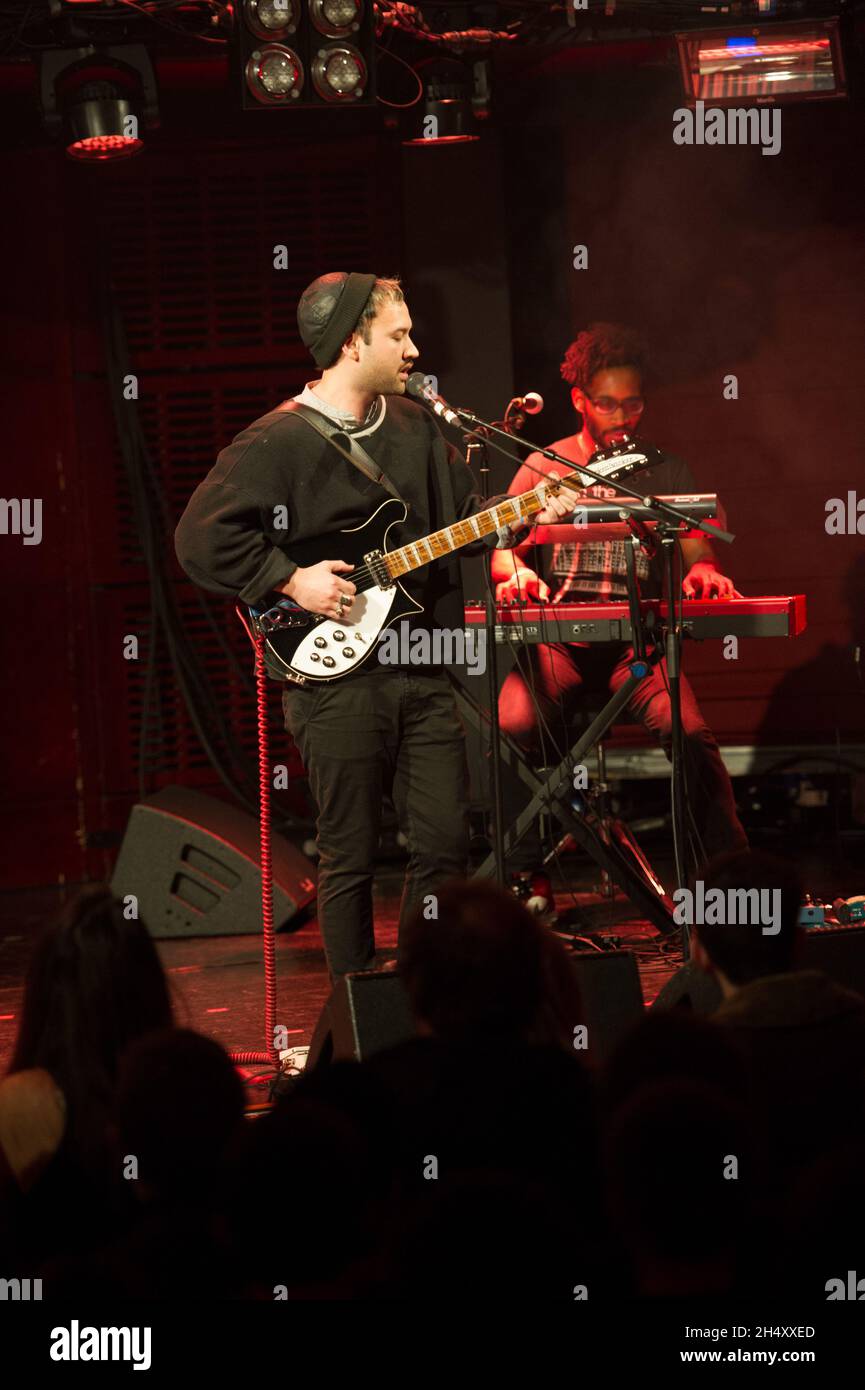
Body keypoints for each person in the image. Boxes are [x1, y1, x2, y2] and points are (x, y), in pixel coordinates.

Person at [174, 272, 575, 980]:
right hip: (334, 678)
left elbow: (457, 527)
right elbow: (199, 538)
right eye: (399, 334)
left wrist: (524, 515)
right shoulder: (277, 441)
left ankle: (421, 989)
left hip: (420, 662)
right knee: (350, 850)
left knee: (445, 842)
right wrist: (292, 578)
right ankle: (357, 1004)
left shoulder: (418, 425)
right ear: (352, 341)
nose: (414, 349)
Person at [490, 321, 748, 883]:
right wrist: (514, 576)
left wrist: (704, 572)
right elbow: (503, 550)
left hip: (638, 649)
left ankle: (727, 884)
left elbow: (700, 554)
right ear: (580, 399)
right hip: (558, 642)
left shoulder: (666, 468)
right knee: (510, 724)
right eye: (607, 404)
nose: (622, 418)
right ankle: (521, 881)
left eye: (633, 405)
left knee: (690, 735)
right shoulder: (544, 465)